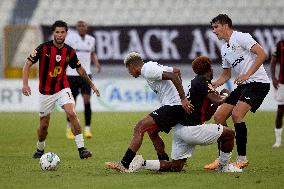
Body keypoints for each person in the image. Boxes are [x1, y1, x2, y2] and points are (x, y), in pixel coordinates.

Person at [129, 56, 242, 173]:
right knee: (229, 134)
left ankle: (141, 163)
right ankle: (223, 166)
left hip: (180, 130)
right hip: (191, 130)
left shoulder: (196, 82)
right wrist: (226, 94)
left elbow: (207, 115)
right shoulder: (202, 81)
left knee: (175, 166)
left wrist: (216, 102)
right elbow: (218, 100)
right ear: (210, 69)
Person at [22, 20, 100, 159]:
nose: (59, 35)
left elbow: (81, 70)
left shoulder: (69, 51)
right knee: (44, 127)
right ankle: (40, 149)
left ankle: (82, 149)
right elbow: (27, 65)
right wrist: (25, 84)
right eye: (57, 32)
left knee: (72, 112)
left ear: (66, 33)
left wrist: (92, 85)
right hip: (45, 92)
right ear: (53, 33)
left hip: (62, 87)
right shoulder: (43, 48)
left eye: (62, 32)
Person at [105, 52, 193, 172]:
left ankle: (124, 164)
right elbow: (177, 71)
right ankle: (164, 161)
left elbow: (173, 76)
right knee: (152, 132)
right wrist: (179, 95)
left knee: (139, 128)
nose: (130, 73)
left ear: (132, 66)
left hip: (173, 106)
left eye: (129, 70)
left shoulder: (148, 70)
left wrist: (182, 98)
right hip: (175, 106)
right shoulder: (151, 65)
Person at [204, 14, 270, 170]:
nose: (214, 31)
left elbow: (262, 54)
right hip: (244, 85)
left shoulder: (241, 37)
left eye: (216, 27)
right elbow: (226, 75)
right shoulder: (224, 48)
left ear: (225, 25)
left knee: (237, 115)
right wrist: (213, 85)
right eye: (213, 28)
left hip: (258, 83)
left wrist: (247, 74)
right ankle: (222, 159)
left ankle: (242, 159)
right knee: (218, 116)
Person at [65, 20, 102, 139]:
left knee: (87, 101)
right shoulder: (70, 38)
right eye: (79, 26)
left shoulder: (91, 39)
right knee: (72, 103)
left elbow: (92, 53)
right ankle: (70, 128)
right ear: (76, 28)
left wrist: (96, 64)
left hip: (86, 74)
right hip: (71, 74)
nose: (81, 28)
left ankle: (87, 129)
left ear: (87, 28)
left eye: (83, 26)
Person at [270, 40, 284, 148]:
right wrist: (274, 78)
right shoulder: (281, 44)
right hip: (282, 83)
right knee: (280, 111)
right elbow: (273, 61)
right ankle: (278, 141)